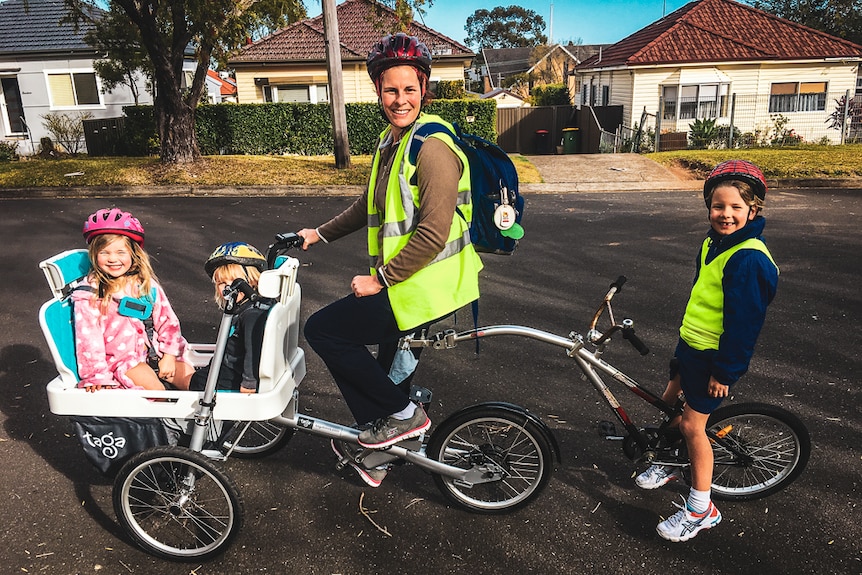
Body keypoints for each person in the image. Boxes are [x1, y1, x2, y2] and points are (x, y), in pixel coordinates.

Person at [297, 32, 484, 487]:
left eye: (409, 89)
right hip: (406, 286)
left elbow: (434, 233)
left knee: (324, 331)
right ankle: (382, 452)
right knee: (385, 373)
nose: (400, 99)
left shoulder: (432, 148)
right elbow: (368, 206)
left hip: (423, 288)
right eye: (391, 90)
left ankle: (402, 416)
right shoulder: (392, 140)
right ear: (379, 91)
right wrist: (318, 234)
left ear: (424, 89)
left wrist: (380, 279)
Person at [635, 160, 779, 542]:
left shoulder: (749, 259)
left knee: (692, 425)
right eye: (718, 206)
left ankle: (701, 508)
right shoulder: (711, 244)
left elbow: (744, 325)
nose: (726, 214)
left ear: (753, 210)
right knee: (668, 402)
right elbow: (704, 294)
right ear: (708, 207)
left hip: (714, 357)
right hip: (692, 345)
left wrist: (725, 373)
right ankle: (668, 462)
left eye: (736, 208)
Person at [72, 208, 194, 391]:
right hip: (125, 361)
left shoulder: (144, 285)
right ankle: (164, 419)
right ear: (94, 255)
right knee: (159, 394)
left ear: (133, 254)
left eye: (121, 252)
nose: (113, 259)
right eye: (104, 252)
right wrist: (97, 377)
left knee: (197, 387)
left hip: (159, 351)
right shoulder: (89, 295)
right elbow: (89, 341)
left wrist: (169, 355)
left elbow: (168, 322)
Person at [184, 242, 274, 393]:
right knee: (179, 367)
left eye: (234, 281)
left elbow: (254, 351)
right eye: (221, 283)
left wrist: (248, 385)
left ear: (252, 279)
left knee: (175, 374)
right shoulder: (255, 306)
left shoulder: (252, 315)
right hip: (221, 371)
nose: (228, 287)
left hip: (223, 381)